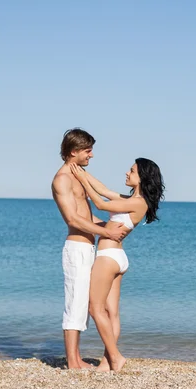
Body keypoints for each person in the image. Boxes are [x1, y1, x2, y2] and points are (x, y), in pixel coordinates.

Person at [69, 157, 164, 372]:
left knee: (95, 308)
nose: (127, 173)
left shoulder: (139, 202)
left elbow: (101, 203)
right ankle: (106, 362)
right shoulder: (131, 199)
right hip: (116, 257)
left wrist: (82, 181)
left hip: (108, 256)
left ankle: (116, 356)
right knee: (111, 312)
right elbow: (104, 190)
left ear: (142, 177)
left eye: (132, 171)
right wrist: (84, 175)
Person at [51, 128, 127, 370]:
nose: (91, 155)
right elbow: (73, 219)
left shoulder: (79, 174)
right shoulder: (61, 179)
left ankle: (77, 358)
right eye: (87, 150)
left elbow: (87, 215)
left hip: (89, 248)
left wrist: (109, 226)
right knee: (75, 304)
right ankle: (73, 362)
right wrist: (107, 232)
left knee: (84, 303)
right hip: (76, 249)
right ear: (74, 151)